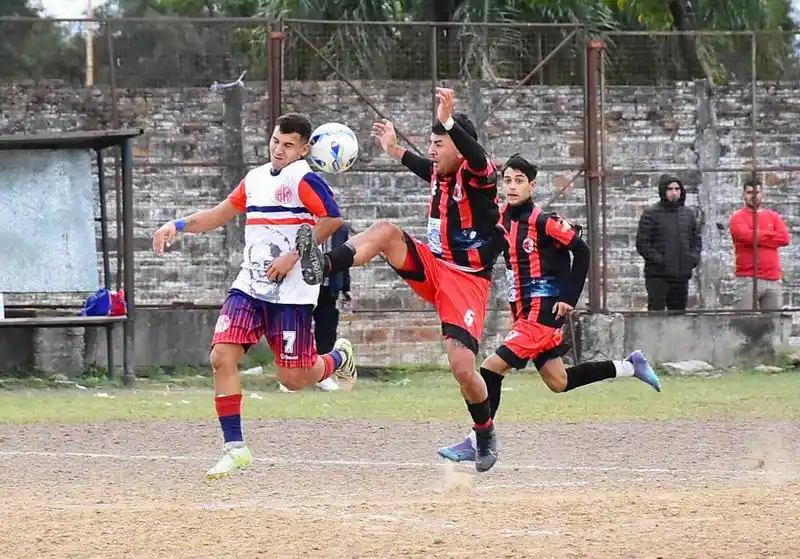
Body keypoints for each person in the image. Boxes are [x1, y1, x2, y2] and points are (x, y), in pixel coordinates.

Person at [295, 87, 505, 472]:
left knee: (462, 367)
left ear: (459, 147)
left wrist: (448, 120)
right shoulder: (440, 174)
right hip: (433, 263)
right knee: (386, 233)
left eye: (438, 143)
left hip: (466, 280)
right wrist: (393, 149)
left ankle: (484, 433)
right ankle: (321, 265)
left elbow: (477, 156)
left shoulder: (479, 176)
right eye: (431, 142)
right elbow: (423, 167)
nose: (432, 150)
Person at [151, 113, 357, 480]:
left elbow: (332, 219)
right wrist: (176, 225)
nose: (279, 149)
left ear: (305, 149)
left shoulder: (304, 179)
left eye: (289, 145)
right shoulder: (255, 179)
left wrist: (293, 256)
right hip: (250, 285)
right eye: (276, 140)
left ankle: (339, 357)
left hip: (292, 292)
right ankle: (235, 448)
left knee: (294, 379)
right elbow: (217, 216)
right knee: (221, 356)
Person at [437, 154, 662, 463]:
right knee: (559, 382)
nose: (512, 187)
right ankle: (630, 365)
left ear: (532, 185)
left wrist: (568, 296)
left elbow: (581, 252)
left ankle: (478, 439)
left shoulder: (545, 221)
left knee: (490, 368)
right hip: (523, 312)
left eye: (519, 181)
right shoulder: (500, 219)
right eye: (508, 181)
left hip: (542, 314)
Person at [279, 222, 352, 393]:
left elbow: (345, 259)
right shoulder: (299, 224)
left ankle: (322, 376)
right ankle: (290, 375)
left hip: (328, 285)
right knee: (297, 328)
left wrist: (345, 287)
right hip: (301, 285)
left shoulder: (340, 229)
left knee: (326, 330)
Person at [635, 175, 702, 311]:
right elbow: (643, 244)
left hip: (681, 275)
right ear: (663, 191)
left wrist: (692, 259)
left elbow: (696, 240)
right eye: (670, 189)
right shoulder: (651, 214)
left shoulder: (688, 215)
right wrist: (661, 260)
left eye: (677, 189)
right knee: (656, 315)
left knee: (678, 316)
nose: (674, 192)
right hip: (658, 276)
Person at [729, 177, 791, 310]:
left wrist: (756, 235)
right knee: (742, 323)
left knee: (773, 324)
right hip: (747, 279)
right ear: (744, 195)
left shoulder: (773, 216)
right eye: (749, 192)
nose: (754, 196)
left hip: (773, 279)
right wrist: (770, 235)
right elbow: (744, 236)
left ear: (762, 194)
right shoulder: (737, 217)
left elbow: (784, 238)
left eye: (757, 192)